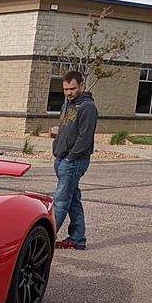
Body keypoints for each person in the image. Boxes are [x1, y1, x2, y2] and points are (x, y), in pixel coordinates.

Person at [52, 70, 97, 251]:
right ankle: (78, 239)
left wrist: (70, 158)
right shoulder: (67, 105)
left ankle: (45, 237)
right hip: (62, 159)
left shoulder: (87, 107)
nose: (68, 93)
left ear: (81, 86)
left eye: (72, 88)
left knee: (61, 201)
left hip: (74, 161)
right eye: (65, 89)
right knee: (73, 200)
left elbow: (85, 138)